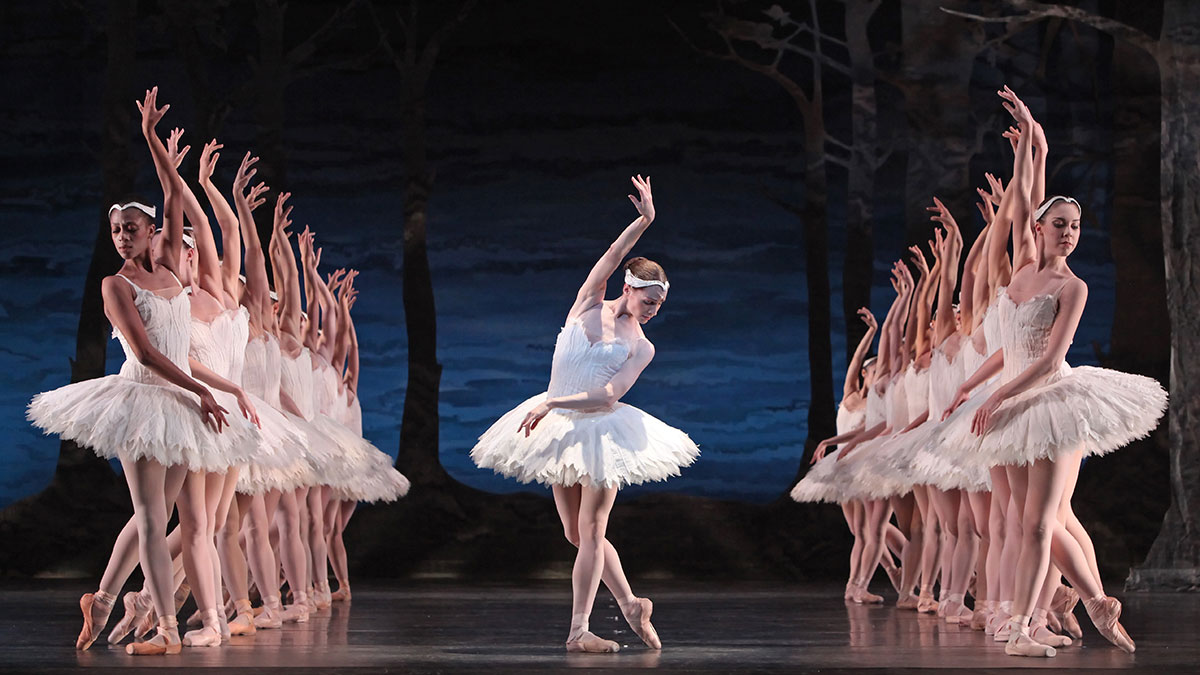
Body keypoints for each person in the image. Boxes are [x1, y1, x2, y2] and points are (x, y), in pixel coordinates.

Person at [471, 176, 697, 652]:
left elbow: (608, 395)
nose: (654, 311)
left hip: (600, 431)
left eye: (660, 305)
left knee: (593, 529)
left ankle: (579, 630)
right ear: (629, 288)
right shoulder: (586, 304)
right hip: (560, 426)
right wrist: (644, 221)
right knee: (574, 533)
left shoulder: (642, 345)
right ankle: (633, 605)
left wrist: (552, 402)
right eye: (649, 301)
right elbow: (613, 254)